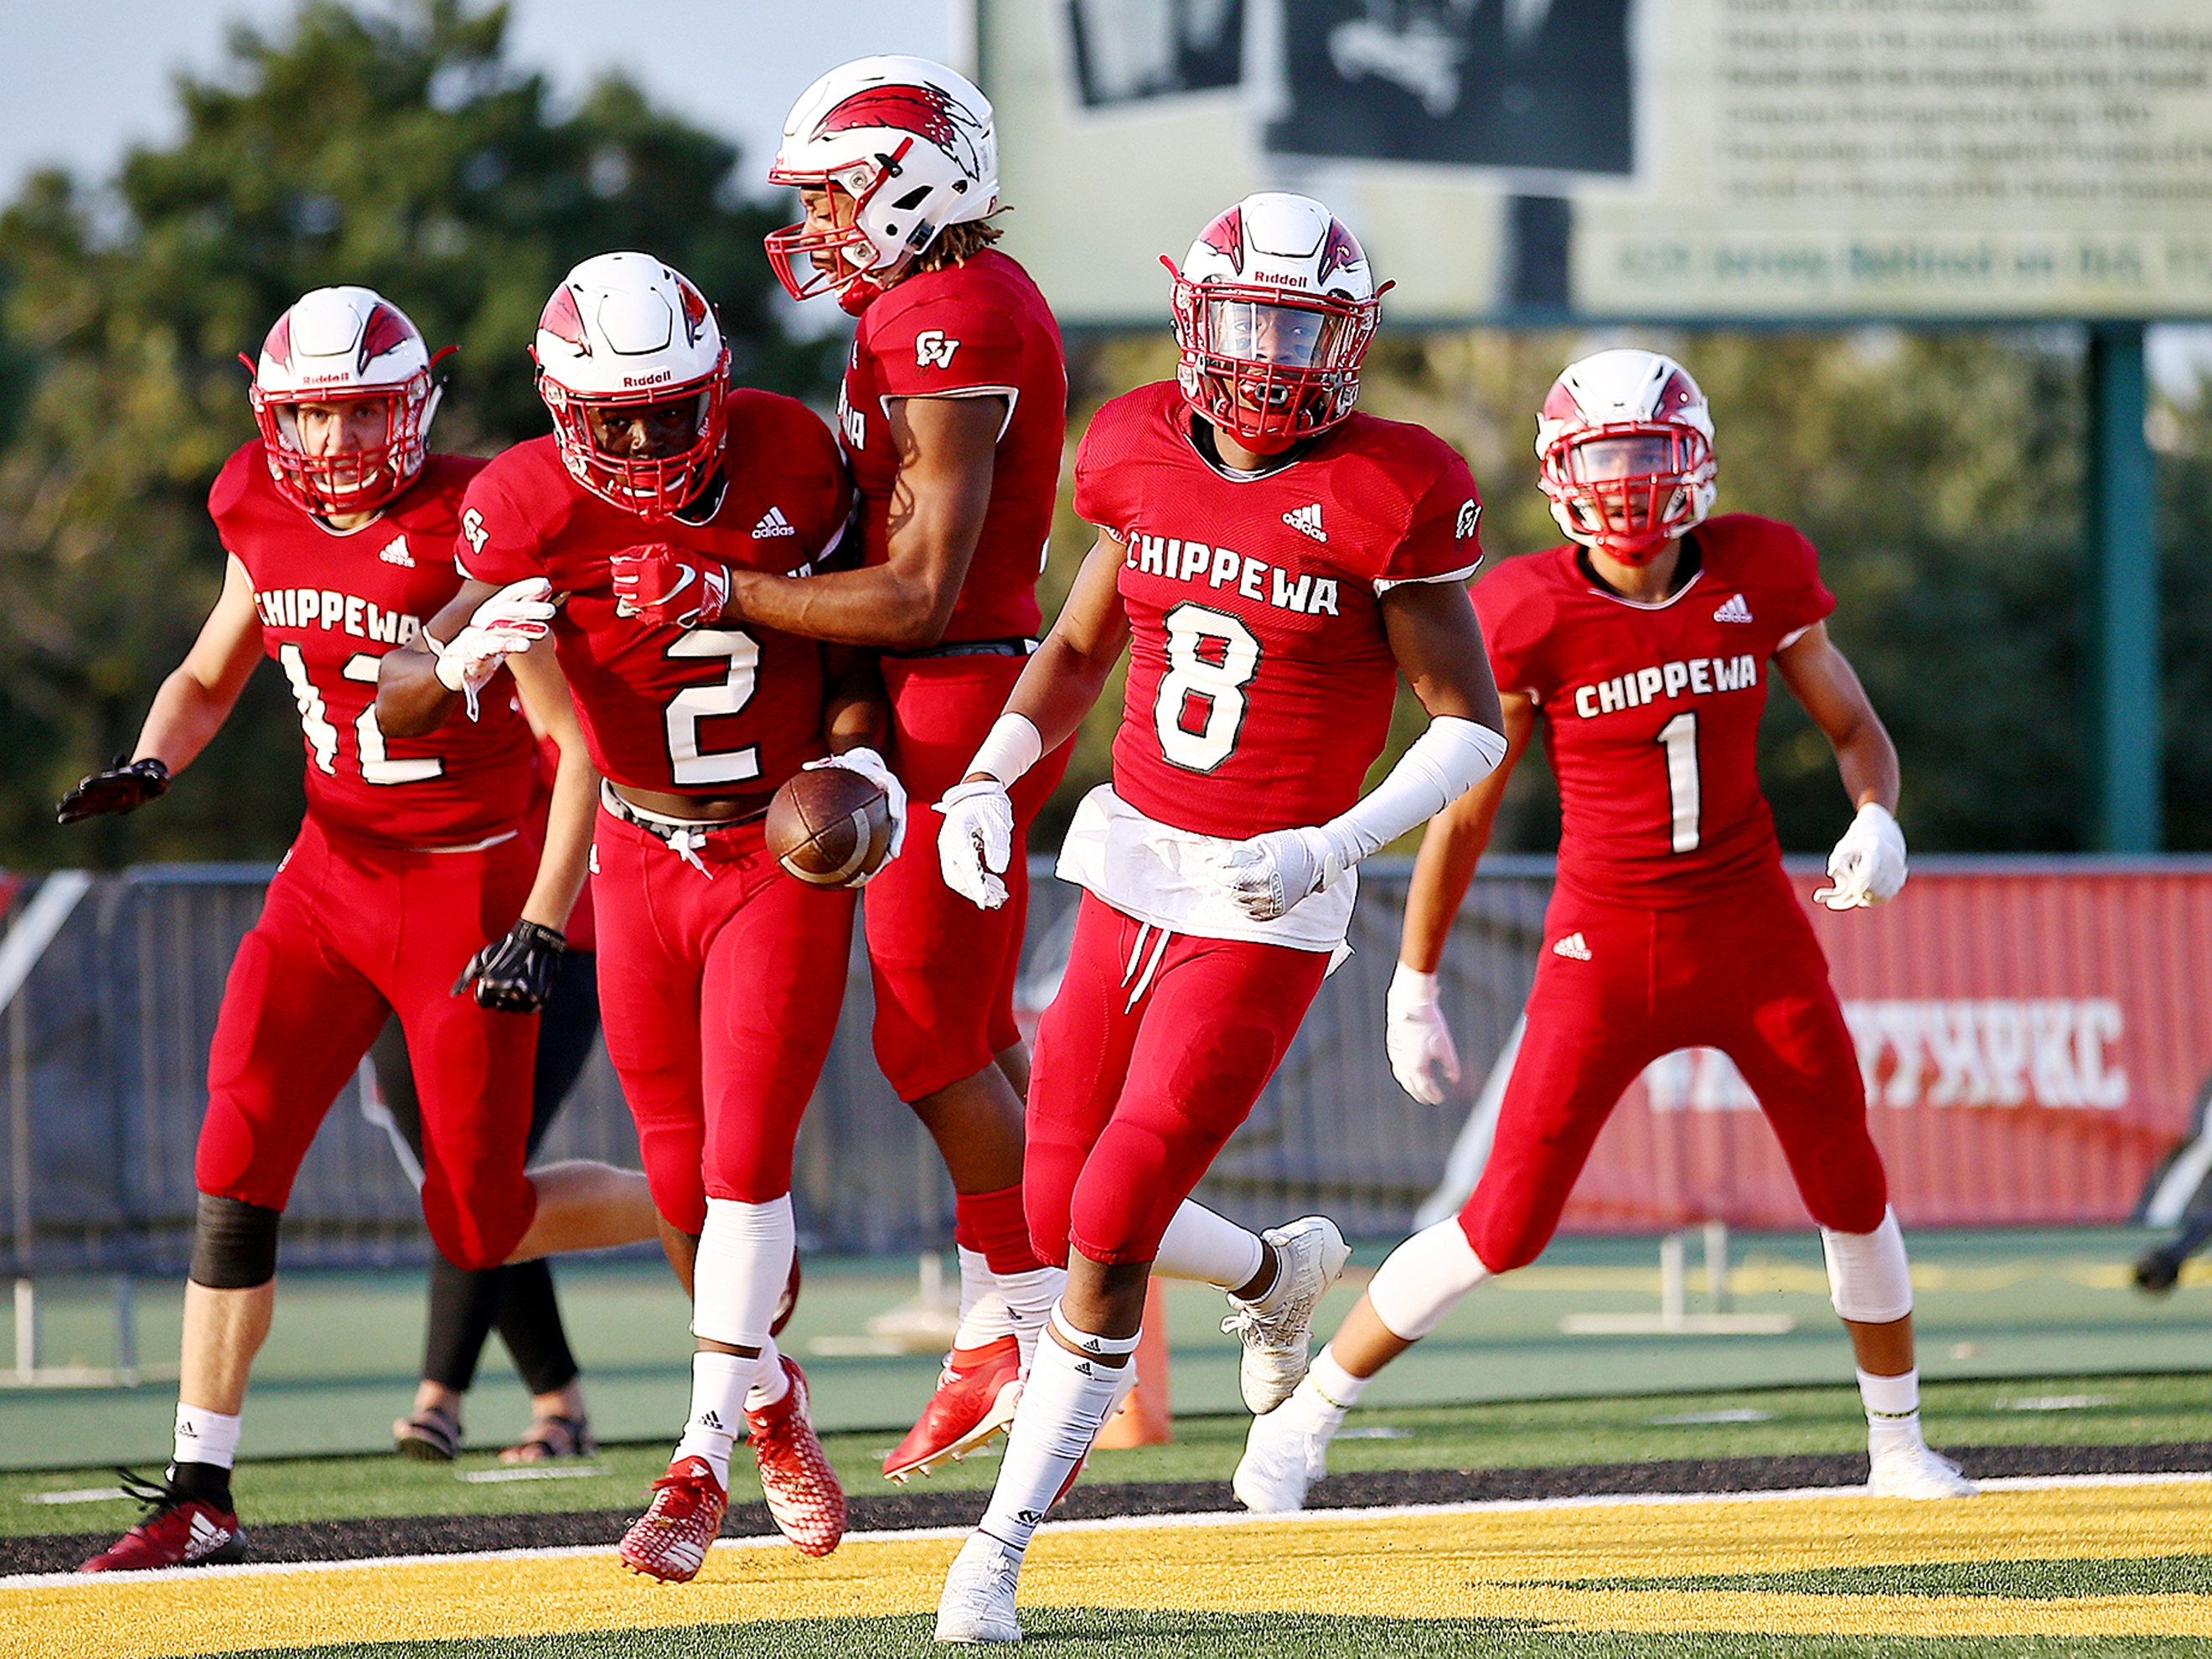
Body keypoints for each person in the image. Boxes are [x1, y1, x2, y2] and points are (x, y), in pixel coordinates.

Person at [1234, 348, 1979, 1516]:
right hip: (1606, 945)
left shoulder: (1761, 568)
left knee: (1850, 1181)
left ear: (1695, 460)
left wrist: (1880, 814)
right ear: (1563, 473)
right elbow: (1466, 810)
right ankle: (1304, 1420)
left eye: (1649, 454)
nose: (1630, 487)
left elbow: (1851, 722)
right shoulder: (1528, 606)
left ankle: (1899, 1444)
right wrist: (1411, 980)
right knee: (1506, 1223)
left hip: (1751, 932)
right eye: (1607, 458)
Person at [931, 193, 1507, 1642]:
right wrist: (992, 778)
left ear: (1350, 336)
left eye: (1297, 328)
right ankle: (1275, 1267)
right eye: (1244, 319)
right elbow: (1076, 650)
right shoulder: (1128, 445)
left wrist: (1339, 841)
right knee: (1056, 1204)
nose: (1264, 358)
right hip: (1128, 855)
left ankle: (996, 1551)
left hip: (1268, 895)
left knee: (1113, 1215)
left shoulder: (1396, 485)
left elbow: (1473, 723)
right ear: (1196, 315)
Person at [63, 287, 659, 1574]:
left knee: (478, 1221)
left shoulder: (478, 519)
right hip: (328, 878)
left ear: (417, 404)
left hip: (466, 889)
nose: (332, 441)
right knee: (236, 1156)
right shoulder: (255, 505)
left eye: (359, 411)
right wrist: (152, 761)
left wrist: (546, 920)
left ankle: (717, 1197)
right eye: (310, 413)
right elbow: (213, 668)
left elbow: (575, 748)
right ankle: (199, 1486)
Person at [378, 251, 886, 1584]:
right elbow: (397, 700)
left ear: (716, 387)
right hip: (634, 854)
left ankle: (699, 1459)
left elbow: (855, 649)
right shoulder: (520, 504)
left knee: (747, 1161)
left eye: (673, 408)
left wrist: (857, 763)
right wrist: (460, 654)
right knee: (673, 1176)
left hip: (776, 844)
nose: (653, 439)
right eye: (622, 418)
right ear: (564, 409)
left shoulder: (791, 452)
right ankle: (772, 1403)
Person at [726, 54, 1072, 1481]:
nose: (810, 225)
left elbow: (924, 589)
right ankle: (1039, 1297)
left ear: (908, 179)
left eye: (827, 196)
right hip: (945, 694)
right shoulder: (916, 306)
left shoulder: (953, 312)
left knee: (924, 1041)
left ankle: (1034, 1324)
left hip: (961, 691)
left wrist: (725, 597)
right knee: (973, 1033)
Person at [379, 731, 604, 1465]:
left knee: (473, 1172)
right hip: (407, 945)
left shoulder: (521, 630)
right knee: (468, 1183)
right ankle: (559, 1401)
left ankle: (439, 1400)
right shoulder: (371, 628)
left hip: (541, 948)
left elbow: (577, 752)